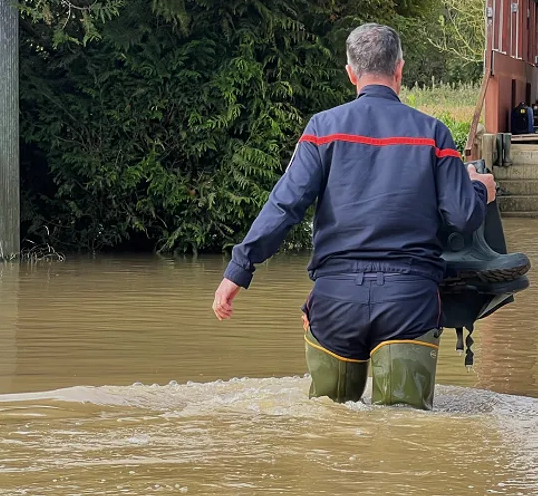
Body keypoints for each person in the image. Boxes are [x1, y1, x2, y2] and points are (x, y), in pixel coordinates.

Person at [211, 22, 501, 410]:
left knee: (330, 428)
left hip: (336, 302)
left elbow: (285, 205)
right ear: (400, 69)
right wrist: (481, 188)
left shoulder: (322, 130)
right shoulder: (433, 133)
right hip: (408, 301)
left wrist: (238, 269)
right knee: (405, 435)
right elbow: (464, 217)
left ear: (351, 73)